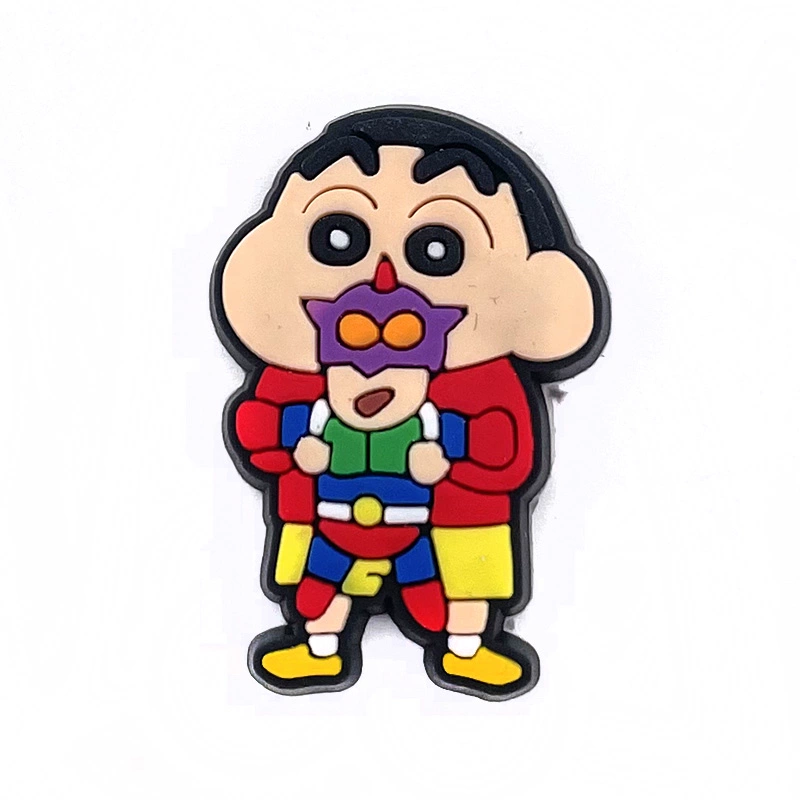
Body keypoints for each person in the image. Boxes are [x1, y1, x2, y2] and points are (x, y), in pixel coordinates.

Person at [211, 106, 610, 699]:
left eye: (437, 250)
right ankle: (319, 645)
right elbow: (259, 430)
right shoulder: (296, 371)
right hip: (329, 518)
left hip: (450, 522)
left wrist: (451, 454)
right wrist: (298, 445)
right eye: (338, 238)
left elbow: (508, 452)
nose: (384, 277)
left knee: (462, 576)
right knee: (322, 581)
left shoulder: (487, 383)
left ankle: (467, 646)